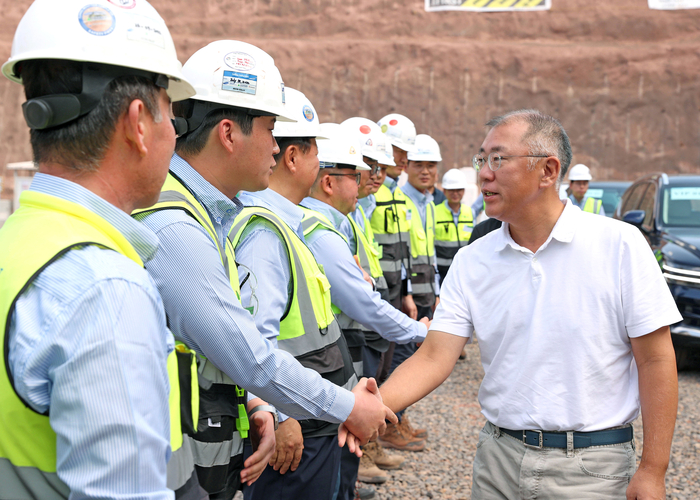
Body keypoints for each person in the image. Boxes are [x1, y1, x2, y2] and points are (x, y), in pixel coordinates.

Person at [373, 109, 681, 499]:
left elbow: (655, 360)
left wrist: (654, 469)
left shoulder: (619, 246)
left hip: (591, 470)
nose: (484, 173)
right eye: (481, 160)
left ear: (548, 171)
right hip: (497, 461)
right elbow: (434, 356)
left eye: (498, 159)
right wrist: (369, 406)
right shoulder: (474, 260)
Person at [134, 41, 395, 500]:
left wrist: (257, 404)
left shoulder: (205, 215)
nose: (277, 146)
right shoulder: (177, 228)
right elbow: (248, 354)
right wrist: (347, 406)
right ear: (230, 134)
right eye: (271, 130)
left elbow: (217, 342)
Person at [0, 1, 200, 498]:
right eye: (171, 115)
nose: (174, 135)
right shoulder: (104, 287)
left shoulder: (16, 243)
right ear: (137, 122)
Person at [227, 92, 359, 500]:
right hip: (296, 426)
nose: (321, 163)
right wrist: (281, 416)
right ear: (293, 157)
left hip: (313, 418)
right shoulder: (265, 235)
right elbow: (256, 340)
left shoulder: (289, 226)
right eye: (316, 151)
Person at [301, 120, 429, 496]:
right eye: (358, 175)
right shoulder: (320, 230)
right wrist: (424, 332)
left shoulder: (334, 222)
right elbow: (361, 301)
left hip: (342, 342)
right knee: (338, 437)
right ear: (329, 182)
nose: (370, 180)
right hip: (339, 345)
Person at [434, 168, 474, 285]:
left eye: (459, 190)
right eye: (451, 190)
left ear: (464, 191)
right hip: (442, 273)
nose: (455, 193)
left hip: (464, 271)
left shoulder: (469, 212)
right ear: (444, 191)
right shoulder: (435, 211)